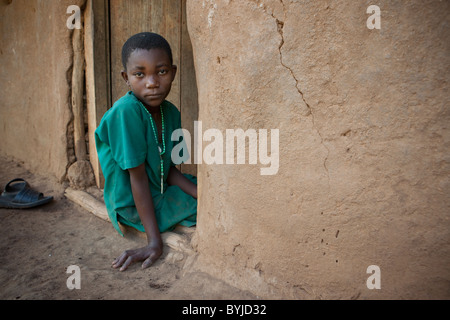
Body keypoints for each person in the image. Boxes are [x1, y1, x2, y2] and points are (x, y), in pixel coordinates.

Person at [95, 32, 197, 271]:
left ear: (173, 72)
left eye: (161, 72)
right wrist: (154, 243)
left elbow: (167, 168)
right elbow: (137, 178)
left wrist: (198, 192)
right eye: (139, 74)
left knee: (205, 194)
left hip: (156, 187)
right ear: (126, 78)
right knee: (205, 212)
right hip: (131, 200)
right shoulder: (126, 112)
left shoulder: (169, 112)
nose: (152, 82)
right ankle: (152, 229)